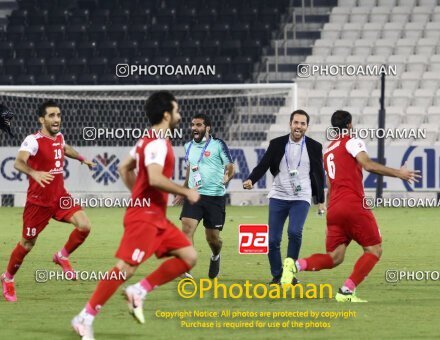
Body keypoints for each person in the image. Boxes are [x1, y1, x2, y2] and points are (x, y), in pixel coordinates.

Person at [71, 91, 200, 339]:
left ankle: (139, 291)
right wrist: (185, 191)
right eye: (177, 110)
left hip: (155, 217)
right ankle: (84, 317)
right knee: (125, 269)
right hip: (144, 218)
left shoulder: (146, 140)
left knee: (189, 256)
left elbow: (123, 167)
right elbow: (153, 177)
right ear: (166, 114)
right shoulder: (158, 143)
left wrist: (139, 196)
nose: (179, 114)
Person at [280, 110, 421, 302]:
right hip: (353, 205)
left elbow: (330, 185)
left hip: (335, 209)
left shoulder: (328, 150)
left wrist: (329, 212)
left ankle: (295, 265)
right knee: (374, 250)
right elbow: (368, 164)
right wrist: (399, 173)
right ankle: (347, 291)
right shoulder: (352, 141)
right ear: (349, 125)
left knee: (335, 257)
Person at [1, 100, 95, 302]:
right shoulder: (32, 140)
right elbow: (18, 162)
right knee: (27, 244)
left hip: (61, 198)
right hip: (38, 203)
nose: (56, 119)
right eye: (52, 115)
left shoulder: (59, 137)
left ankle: (62, 256)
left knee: (85, 225)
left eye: (58, 115)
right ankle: (7, 278)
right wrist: (34, 173)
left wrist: (81, 158)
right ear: (41, 119)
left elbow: (64, 147)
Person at [243, 109, 325, 284]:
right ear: (290, 124)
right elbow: (263, 164)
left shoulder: (314, 146)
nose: (299, 126)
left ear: (307, 127)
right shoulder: (277, 144)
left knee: (295, 232)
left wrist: (321, 201)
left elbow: (319, 174)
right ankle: (277, 274)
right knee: (273, 240)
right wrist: (251, 179)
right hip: (278, 196)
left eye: (303, 123)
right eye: (296, 122)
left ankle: (289, 273)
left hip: (301, 197)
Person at [174, 113, 234, 279]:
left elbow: (230, 166)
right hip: (194, 195)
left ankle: (215, 255)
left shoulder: (218, 145)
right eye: (193, 124)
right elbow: (190, 168)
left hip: (215, 197)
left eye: (199, 125)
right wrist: (184, 189)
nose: (194, 128)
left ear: (207, 128)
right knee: (186, 228)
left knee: (213, 239)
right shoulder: (188, 146)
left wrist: (226, 177)